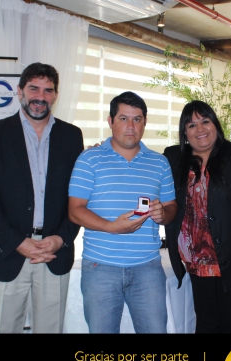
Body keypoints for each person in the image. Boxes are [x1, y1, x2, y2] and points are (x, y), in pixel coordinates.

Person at [0, 62, 84, 333]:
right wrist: (16, 242)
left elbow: (79, 196)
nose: (40, 97)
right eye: (34, 88)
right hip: (7, 253)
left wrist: (61, 238)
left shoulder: (71, 136)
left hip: (54, 253)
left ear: (56, 95)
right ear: (20, 91)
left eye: (48, 90)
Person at [68, 91, 178, 333]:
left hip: (148, 266)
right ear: (110, 121)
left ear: (145, 122)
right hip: (100, 267)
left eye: (137, 119)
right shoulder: (89, 159)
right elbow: (75, 211)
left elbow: (171, 207)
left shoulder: (159, 163)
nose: (131, 126)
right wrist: (111, 227)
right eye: (123, 118)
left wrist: (163, 214)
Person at [163, 101, 231, 333]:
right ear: (185, 132)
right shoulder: (174, 159)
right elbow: (143, 162)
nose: (200, 129)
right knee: (206, 326)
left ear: (215, 124)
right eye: (191, 125)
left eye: (205, 121)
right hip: (198, 265)